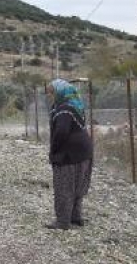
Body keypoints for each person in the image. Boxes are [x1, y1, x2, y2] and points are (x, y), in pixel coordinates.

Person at [46, 78, 93, 230]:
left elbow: (61, 132)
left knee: (64, 187)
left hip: (69, 154)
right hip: (84, 152)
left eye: (51, 93)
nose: (49, 96)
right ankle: (75, 217)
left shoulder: (63, 109)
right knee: (78, 186)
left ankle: (63, 221)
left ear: (59, 92)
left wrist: (53, 151)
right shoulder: (76, 105)